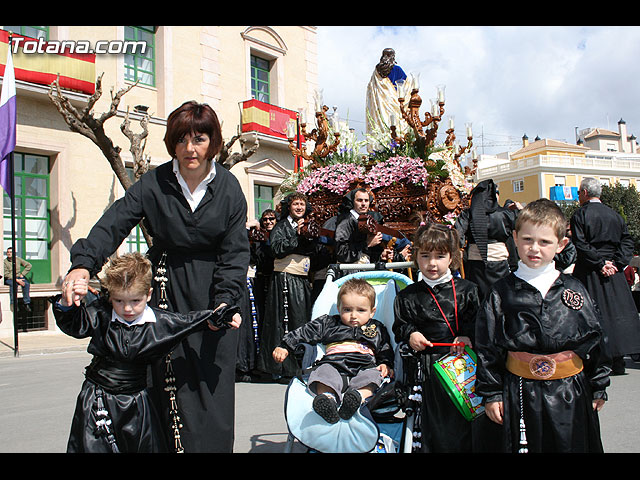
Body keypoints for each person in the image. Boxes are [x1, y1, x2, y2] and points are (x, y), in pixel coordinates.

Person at [61, 101, 249, 452]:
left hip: (214, 295)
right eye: (181, 140)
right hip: (164, 289)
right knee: (166, 385)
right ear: (172, 143)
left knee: (212, 390)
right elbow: (114, 222)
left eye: (199, 139)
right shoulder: (154, 183)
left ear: (213, 142)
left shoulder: (229, 188)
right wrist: (83, 263)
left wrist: (226, 301)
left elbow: (235, 253)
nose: (189, 149)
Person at [51, 253, 239, 453]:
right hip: (97, 400)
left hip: (137, 405)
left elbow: (190, 321)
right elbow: (74, 324)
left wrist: (219, 316)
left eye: (135, 300)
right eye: (119, 301)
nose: (127, 308)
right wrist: (67, 303)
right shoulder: (101, 314)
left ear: (148, 294)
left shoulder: (160, 323)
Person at [475, 198, 610, 453]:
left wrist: (598, 385)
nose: (534, 248)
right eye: (527, 239)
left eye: (544, 242)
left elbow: (595, 339)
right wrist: (492, 394)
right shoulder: (501, 292)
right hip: (521, 392)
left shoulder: (574, 289)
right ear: (514, 238)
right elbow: (487, 347)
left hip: (571, 391)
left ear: (561, 245)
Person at [393, 223, 480, 452]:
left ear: (451, 257)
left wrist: (467, 335)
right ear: (416, 257)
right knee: (432, 430)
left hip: (463, 368)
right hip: (428, 370)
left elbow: (480, 323)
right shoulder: (407, 295)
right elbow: (400, 326)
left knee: (465, 427)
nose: (432, 263)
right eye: (425, 256)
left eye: (440, 256)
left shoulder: (468, 290)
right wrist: (411, 334)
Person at [273, 277, 394, 423]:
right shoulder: (329, 323)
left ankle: (357, 397)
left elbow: (385, 347)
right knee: (323, 373)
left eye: (361, 310)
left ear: (372, 311)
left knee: (375, 376)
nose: (353, 316)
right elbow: (305, 332)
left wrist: (386, 363)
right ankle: (327, 400)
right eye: (347, 310)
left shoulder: (376, 328)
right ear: (339, 308)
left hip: (364, 366)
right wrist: (286, 345)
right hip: (334, 364)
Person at [570, 177, 640, 375]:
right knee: (617, 314)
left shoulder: (580, 215)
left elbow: (581, 244)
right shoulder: (615, 215)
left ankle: (598, 361)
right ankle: (618, 360)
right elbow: (627, 242)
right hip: (613, 273)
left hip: (591, 271)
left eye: (578, 193)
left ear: (584, 193)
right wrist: (616, 263)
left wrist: (600, 263)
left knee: (592, 314)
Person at [257, 192, 328, 381]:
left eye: (302, 204)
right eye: (296, 204)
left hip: (302, 280)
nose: (299, 207)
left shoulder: (307, 226)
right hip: (285, 279)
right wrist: (297, 238)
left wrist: (307, 238)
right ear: (289, 206)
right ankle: (282, 367)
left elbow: (314, 251)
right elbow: (277, 250)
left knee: (301, 319)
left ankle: (300, 365)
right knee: (285, 320)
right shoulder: (281, 226)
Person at [454, 179, 519, 300]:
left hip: (476, 263)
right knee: (501, 297)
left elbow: (457, 234)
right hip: (500, 263)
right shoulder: (506, 213)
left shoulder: (468, 214)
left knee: (478, 298)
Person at [365, 48, 418, 148]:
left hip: (380, 105)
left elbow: (371, 90)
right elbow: (406, 87)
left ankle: (381, 145)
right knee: (396, 125)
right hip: (394, 104)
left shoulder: (376, 72)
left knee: (381, 124)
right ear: (393, 57)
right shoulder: (397, 69)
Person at [4, 247, 32, 312]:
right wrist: (16, 280)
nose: (9, 253)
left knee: (26, 284)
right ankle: (13, 303)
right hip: (9, 278)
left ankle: (26, 303)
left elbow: (29, 265)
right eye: (8, 252)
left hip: (18, 276)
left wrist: (22, 274)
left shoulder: (18, 259)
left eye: (10, 252)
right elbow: (6, 274)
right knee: (13, 285)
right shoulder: (4, 262)